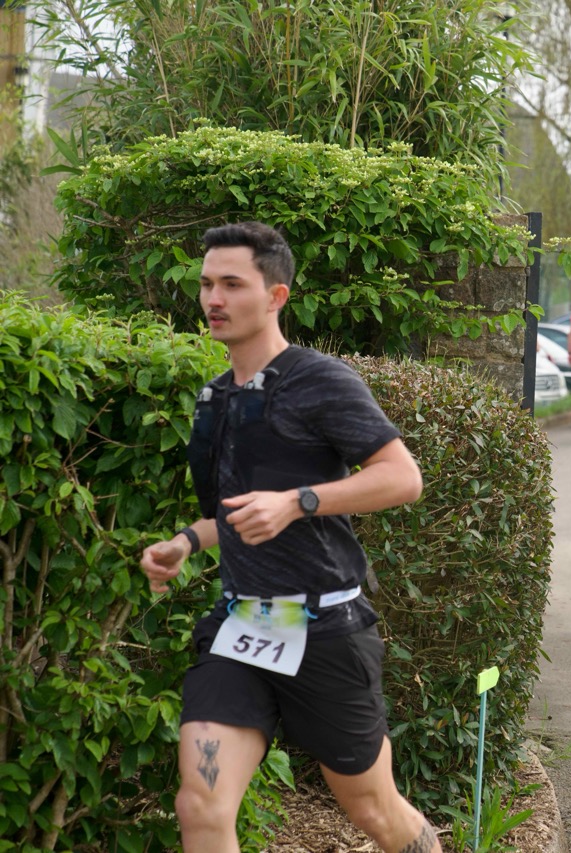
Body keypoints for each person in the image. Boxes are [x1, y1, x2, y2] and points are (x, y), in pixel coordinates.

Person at [140, 222, 440, 853]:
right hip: (242, 628)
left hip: (325, 631)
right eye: (206, 284)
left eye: (231, 284)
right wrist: (186, 544)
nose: (213, 299)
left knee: (374, 811)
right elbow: (237, 514)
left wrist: (299, 502)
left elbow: (402, 477)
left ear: (276, 296)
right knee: (200, 803)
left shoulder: (319, 380)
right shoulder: (215, 398)